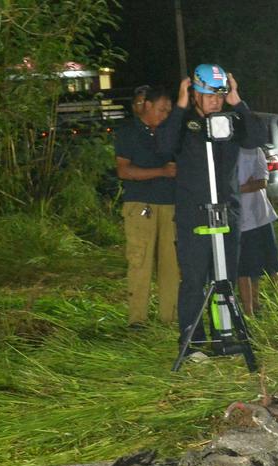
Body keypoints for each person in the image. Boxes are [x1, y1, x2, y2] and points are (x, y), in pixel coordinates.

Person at [155, 63, 264, 348]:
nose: (215, 100)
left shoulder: (229, 121)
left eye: (219, 95)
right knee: (194, 280)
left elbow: (256, 138)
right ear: (195, 95)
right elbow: (164, 148)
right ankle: (193, 343)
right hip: (194, 213)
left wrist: (238, 103)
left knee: (224, 277)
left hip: (227, 210)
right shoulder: (184, 124)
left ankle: (223, 336)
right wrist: (179, 107)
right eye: (209, 95)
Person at [114, 85, 178, 329]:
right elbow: (123, 170)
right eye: (162, 109)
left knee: (171, 264)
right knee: (140, 262)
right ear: (147, 105)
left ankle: (169, 317)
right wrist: (161, 171)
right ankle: (137, 319)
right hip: (140, 204)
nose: (165, 115)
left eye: (169, 111)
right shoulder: (129, 131)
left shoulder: (169, 133)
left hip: (170, 205)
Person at [236, 146, 278, 314]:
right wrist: (245, 186)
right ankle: (250, 310)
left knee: (272, 266)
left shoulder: (254, 150)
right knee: (243, 269)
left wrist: (235, 189)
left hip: (260, 216)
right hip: (238, 219)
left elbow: (262, 182)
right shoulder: (224, 149)